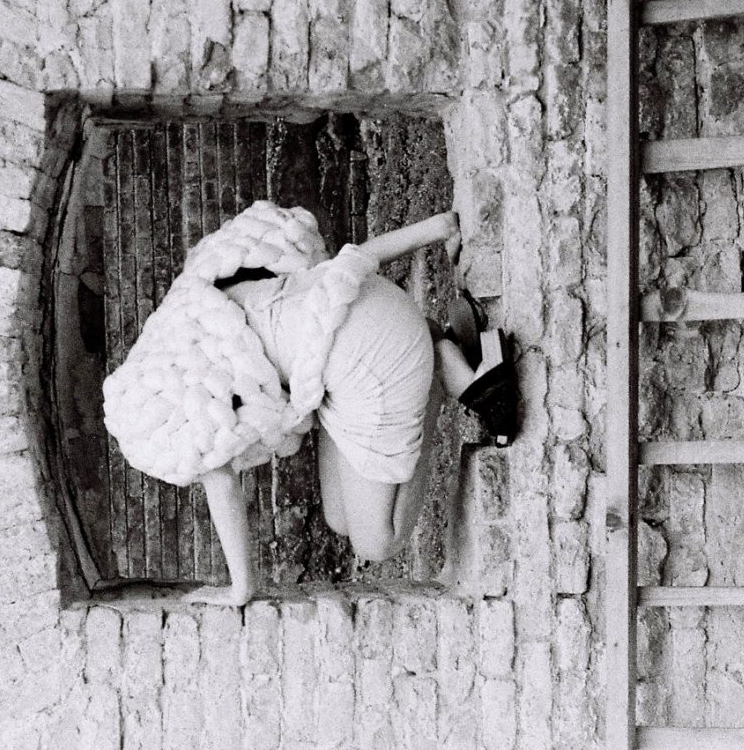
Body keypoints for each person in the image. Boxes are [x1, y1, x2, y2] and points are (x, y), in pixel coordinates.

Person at [102, 204, 518, 607]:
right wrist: (435, 229)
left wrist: (240, 589)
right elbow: (335, 273)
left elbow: (223, 485)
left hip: (374, 356)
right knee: (339, 518)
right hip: (370, 301)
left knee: (377, 541)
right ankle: (426, 347)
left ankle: (439, 366)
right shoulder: (199, 308)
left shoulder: (188, 414)